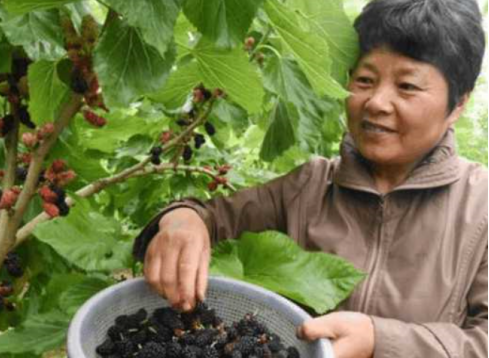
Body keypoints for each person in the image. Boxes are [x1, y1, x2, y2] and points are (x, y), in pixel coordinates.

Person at [132, 0, 487, 357]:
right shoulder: (309, 186)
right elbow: (213, 216)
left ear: (458, 103)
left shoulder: (481, 209)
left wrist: (381, 340)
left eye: (407, 86)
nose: (377, 102)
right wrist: (182, 219)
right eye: (364, 80)